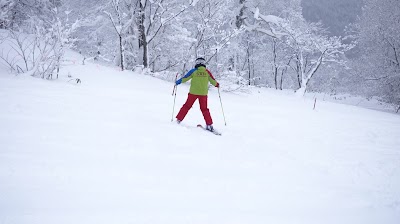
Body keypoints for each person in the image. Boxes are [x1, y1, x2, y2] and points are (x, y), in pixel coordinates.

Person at [175, 57, 219, 131]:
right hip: (203, 94)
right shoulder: (207, 72)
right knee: (204, 109)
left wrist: (178, 82)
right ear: (204, 64)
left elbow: (185, 78)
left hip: (193, 93)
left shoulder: (193, 71)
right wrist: (217, 85)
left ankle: (178, 120)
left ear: (197, 63)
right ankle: (209, 125)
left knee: (186, 106)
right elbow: (213, 81)